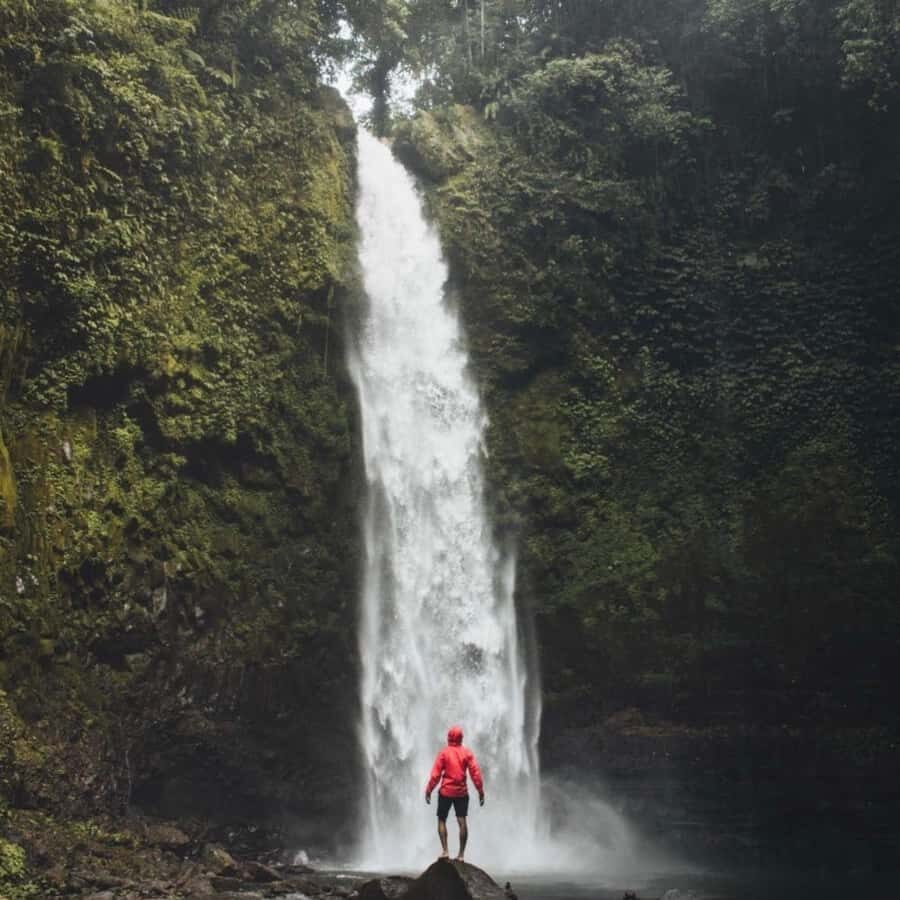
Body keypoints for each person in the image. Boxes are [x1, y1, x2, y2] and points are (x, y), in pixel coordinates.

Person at [425, 725, 485, 861]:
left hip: (445, 792)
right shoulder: (467, 753)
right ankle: (461, 855)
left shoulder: (444, 753)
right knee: (462, 821)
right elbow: (475, 773)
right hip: (461, 793)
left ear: (449, 737)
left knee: (441, 819)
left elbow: (435, 775)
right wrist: (480, 791)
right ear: (461, 738)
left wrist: (429, 790)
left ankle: (445, 851)